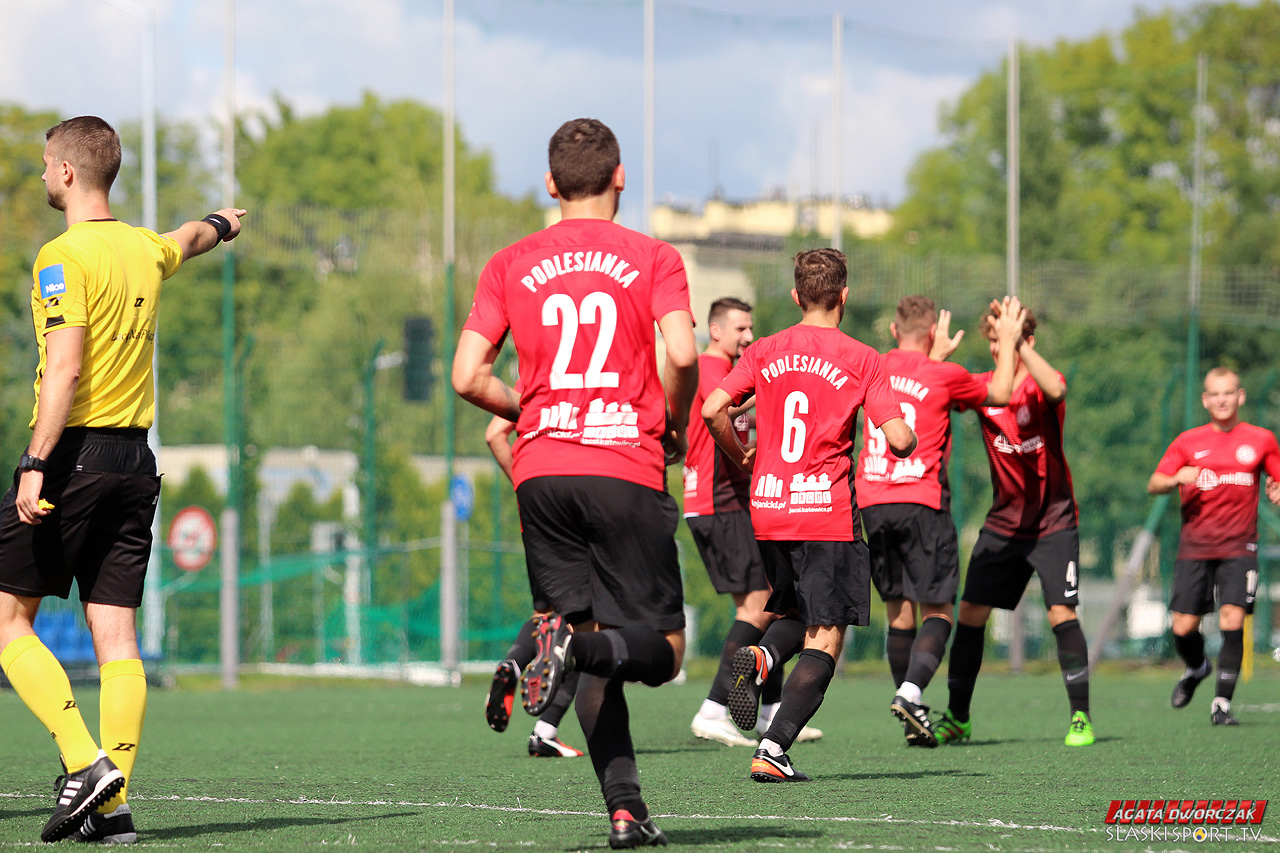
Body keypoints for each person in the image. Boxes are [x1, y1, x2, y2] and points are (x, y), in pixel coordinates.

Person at [452, 118, 697, 848]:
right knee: (665, 650)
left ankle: (625, 808)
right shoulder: (653, 255)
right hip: (622, 464)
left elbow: (467, 376)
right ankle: (575, 652)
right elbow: (682, 352)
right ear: (622, 176)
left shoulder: (509, 262)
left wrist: (528, 406)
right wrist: (671, 421)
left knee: (589, 638)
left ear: (551, 184)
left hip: (542, 473)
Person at [0, 115, 245, 844]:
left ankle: (83, 762)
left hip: (71, 457)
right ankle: (114, 809)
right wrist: (221, 222)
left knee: (8, 619)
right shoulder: (143, 248)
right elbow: (188, 239)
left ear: (69, 173)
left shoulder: (60, 257)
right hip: (135, 462)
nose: (43, 175)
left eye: (47, 164)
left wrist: (35, 460)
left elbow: (66, 369)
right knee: (117, 637)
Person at [704, 248, 916, 782]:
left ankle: (759, 660)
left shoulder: (766, 350)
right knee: (827, 637)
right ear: (844, 295)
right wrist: (905, 437)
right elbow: (898, 439)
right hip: (826, 515)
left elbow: (713, 409)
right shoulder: (863, 358)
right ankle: (773, 748)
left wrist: (741, 456)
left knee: (796, 616)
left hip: (771, 508)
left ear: (797, 296)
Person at [854, 295, 1023, 747]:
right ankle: (911, 695)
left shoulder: (870, 364)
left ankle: (911, 721)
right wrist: (1007, 340)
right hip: (922, 501)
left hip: (871, 499)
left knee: (898, 610)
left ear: (893, 330)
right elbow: (1003, 393)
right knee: (940, 610)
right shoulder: (944, 374)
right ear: (933, 333)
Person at [933, 300, 1096, 748]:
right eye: (992, 339)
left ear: (1030, 339)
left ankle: (1080, 717)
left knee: (1061, 611)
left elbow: (1058, 390)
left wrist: (1017, 344)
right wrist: (937, 361)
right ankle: (958, 717)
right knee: (969, 613)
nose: (998, 345)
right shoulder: (986, 388)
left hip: (1054, 522)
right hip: (1004, 523)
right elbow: (936, 391)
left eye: (1007, 337)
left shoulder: (1042, 384)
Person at [683, 298, 820, 748]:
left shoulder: (726, 368)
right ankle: (713, 708)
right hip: (717, 501)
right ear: (715, 330)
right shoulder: (709, 369)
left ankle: (770, 711)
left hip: (737, 501)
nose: (747, 336)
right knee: (759, 602)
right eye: (740, 328)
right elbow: (724, 412)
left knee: (778, 598)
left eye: (751, 328)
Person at [1147, 367, 1280, 726]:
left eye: (1228, 393)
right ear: (1205, 400)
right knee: (1183, 627)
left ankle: (1221, 704)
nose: (1222, 400)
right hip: (1195, 546)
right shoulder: (1188, 442)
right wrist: (1177, 476)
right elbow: (1155, 482)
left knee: (1232, 618)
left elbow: (1277, 477)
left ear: (1241, 396)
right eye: (1214, 394)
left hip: (1240, 545)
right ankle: (1197, 666)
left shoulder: (1262, 439)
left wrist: (1276, 489)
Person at [483, 414, 583, 758]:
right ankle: (546, 730)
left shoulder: (531, 379)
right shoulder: (588, 372)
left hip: (535, 506)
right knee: (587, 629)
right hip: (580, 504)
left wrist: (524, 483)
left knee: (544, 614)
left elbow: (495, 434)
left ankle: (512, 663)